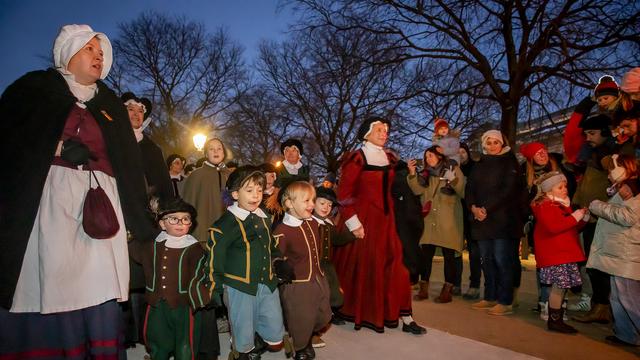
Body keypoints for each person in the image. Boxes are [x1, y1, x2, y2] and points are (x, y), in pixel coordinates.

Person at [0, 24, 157, 357]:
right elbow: (8, 140)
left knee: (99, 282)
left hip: (102, 202)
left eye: (101, 52)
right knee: (59, 278)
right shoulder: (33, 90)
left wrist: (141, 220)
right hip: (52, 200)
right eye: (89, 49)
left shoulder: (110, 103)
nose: (98, 56)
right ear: (68, 52)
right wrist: (55, 148)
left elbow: (129, 164)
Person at [333, 116, 426, 334]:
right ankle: (347, 309)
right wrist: (354, 224)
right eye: (379, 129)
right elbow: (344, 195)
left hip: (386, 220)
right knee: (360, 267)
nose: (384, 133)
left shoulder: (390, 158)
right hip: (363, 220)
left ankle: (406, 316)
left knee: (397, 267)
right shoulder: (356, 158)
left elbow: (397, 187)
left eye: (386, 130)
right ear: (367, 133)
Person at [191, 166, 290, 360]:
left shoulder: (264, 219)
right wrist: (214, 288)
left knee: (275, 333)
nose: (256, 195)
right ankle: (243, 350)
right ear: (235, 194)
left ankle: (259, 339)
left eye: (260, 190)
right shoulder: (224, 225)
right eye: (250, 190)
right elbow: (214, 260)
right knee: (242, 328)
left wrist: (278, 261)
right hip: (239, 287)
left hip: (267, 283)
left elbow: (271, 246)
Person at [129, 198, 207, 359]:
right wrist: (128, 239)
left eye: (185, 219)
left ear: (190, 224)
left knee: (185, 343)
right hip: (157, 304)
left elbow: (199, 273)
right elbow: (137, 252)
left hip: (183, 305)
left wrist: (198, 295)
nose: (180, 222)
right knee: (157, 339)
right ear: (163, 224)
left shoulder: (194, 248)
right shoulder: (153, 246)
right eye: (173, 218)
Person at [466, 130, 524, 316]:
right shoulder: (480, 164)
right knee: (487, 260)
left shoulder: (510, 162)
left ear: (502, 143)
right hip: (481, 221)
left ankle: (505, 300)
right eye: (488, 142)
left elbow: (508, 191)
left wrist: (486, 209)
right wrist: (473, 207)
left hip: (502, 220)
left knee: (502, 259)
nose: (492, 146)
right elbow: (470, 188)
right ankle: (489, 296)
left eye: (495, 142)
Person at [274, 181, 332, 359]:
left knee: (324, 314)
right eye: (306, 201)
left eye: (313, 200)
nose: (312, 205)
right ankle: (301, 346)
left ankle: (305, 334)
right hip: (298, 284)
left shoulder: (313, 223)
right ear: (289, 204)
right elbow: (273, 254)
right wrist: (278, 264)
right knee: (302, 318)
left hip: (317, 278)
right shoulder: (283, 230)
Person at [588, 154, 640, 346]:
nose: (608, 175)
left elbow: (627, 217)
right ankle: (625, 334)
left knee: (630, 299)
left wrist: (598, 206)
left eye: (611, 170)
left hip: (627, 253)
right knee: (618, 297)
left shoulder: (632, 190)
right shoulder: (625, 188)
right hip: (620, 252)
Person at [530, 172, 588, 333]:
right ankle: (554, 320)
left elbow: (570, 228)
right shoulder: (545, 206)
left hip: (564, 252)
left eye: (565, 186)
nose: (564, 190)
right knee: (558, 287)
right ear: (549, 190)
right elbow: (554, 226)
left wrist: (582, 219)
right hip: (556, 253)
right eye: (560, 187)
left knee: (561, 287)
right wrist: (575, 217)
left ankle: (556, 318)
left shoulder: (560, 204)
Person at [407, 146, 465, 303]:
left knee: (449, 256)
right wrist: (412, 173)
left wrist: (452, 179)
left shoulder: (452, 169)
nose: (428, 159)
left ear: (440, 156)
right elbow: (417, 190)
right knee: (426, 255)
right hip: (430, 220)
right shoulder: (425, 174)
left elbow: (463, 190)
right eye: (426, 157)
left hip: (448, 221)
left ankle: (447, 291)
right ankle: (423, 289)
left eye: (431, 155)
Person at [311, 186, 355, 347]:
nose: (326, 207)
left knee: (336, 297)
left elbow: (336, 239)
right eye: (322, 203)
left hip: (328, 267)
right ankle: (311, 333)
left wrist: (352, 235)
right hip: (313, 267)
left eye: (329, 205)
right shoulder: (308, 223)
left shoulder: (328, 223)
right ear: (312, 203)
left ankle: (324, 319)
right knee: (315, 300)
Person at [182, 138, 232, 243]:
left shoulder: (229, 175)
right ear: (205, 154)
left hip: (227, 234)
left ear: (224, 153)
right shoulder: (197, 175)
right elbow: (187, 205)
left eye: (219, 149)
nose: (216, 151)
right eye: (211, 149)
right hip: (201, 234)